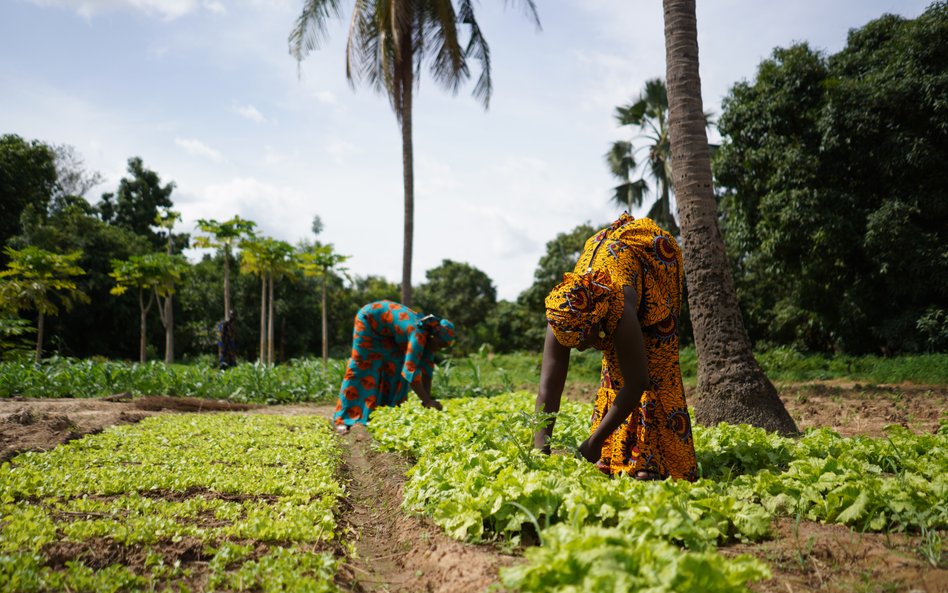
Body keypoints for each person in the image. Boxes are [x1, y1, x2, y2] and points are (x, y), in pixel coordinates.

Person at [533, 213, 698, 481]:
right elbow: (548, 388)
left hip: (654, 258)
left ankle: (653, 460)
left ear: (594, 321)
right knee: (614, 368)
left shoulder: (621, 310)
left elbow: (637, 383)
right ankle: (615, 452)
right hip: (607, 255)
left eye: (583, 342)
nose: (583, 350)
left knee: (656, 365)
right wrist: (541, 450)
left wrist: (592, 444)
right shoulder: (562, 315)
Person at [333, 300, 456, 432]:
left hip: (388, 333)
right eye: (440, 345)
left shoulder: (429, 342)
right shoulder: (418, 334)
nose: (439, 349)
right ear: (433, 336)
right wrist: (427, 401)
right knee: (363, 366)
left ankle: (383, 415)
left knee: (394, 367)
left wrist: (428, 402)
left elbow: (427, 372)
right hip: (369, 321)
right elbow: (410, 373)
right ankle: (343, 418)